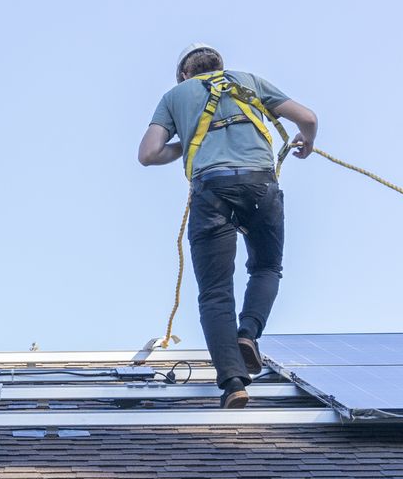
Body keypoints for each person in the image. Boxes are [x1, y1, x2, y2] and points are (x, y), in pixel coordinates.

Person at [136, 43, 319, 409]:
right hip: (260, 185)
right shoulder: (248, 81)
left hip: (211, 191)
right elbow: (308, 119)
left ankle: (233, 383)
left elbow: (148, 154)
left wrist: (186, 143)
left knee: (215, 292)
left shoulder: (175, 95)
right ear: (219, 66)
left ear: (186, 75)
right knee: (267, 267)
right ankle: (248, 334)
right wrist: (307, 142)